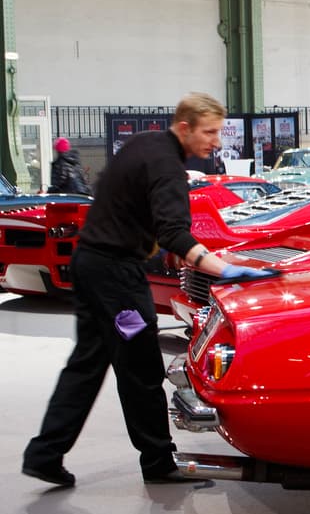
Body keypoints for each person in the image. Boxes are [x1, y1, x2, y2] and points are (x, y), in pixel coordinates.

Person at [22, 93, 273, 488]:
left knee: (85, 366)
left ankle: (44, 454)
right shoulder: (167, 167)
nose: (216, 141)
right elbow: (174, 233)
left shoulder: (142, 143)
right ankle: (157, 461)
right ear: (185, 127)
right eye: (209, 132)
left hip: (90, 266)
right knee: (140, 367)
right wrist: (224, 269)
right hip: (117, 280)